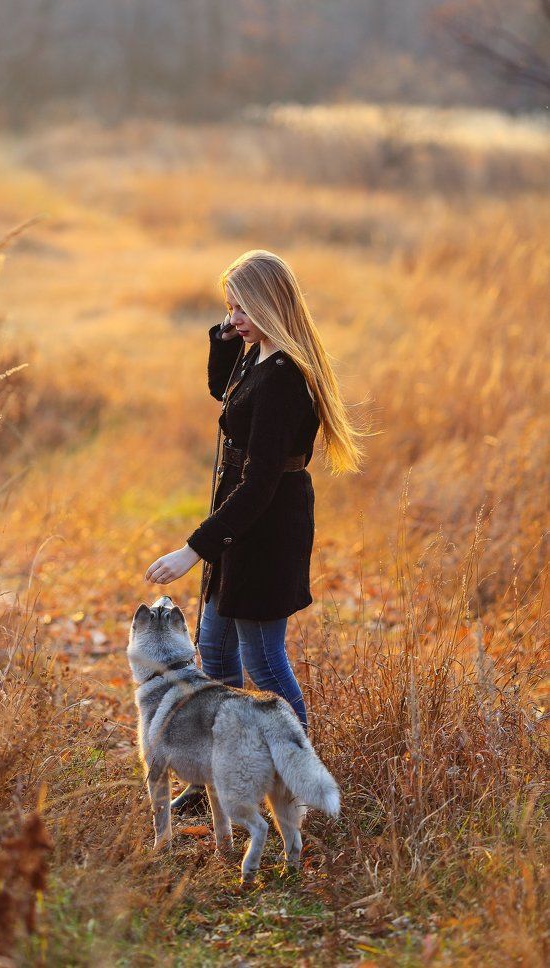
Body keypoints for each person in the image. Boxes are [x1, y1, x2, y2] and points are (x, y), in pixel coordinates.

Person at [143, 249, 366, 814]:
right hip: (238, 524)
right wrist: (226, 335)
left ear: (271, 303)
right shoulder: (254, 357)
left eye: (243, 306)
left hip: (264, 529)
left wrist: (193, 550)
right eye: (229, 306)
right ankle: (212, 783)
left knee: (263, 665)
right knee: (214, 652)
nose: (234, 317)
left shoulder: (285, 376)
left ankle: (297, 785)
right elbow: (227, 399)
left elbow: (263, 481)